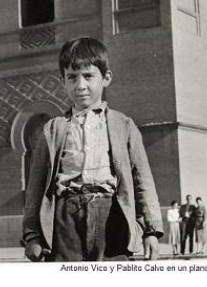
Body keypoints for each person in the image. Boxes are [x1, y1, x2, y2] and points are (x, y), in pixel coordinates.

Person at [22, 37, 164, 262]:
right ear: (63, 81)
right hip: (64, 221)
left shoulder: (123, 125)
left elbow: (143, 181)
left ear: (106, 78)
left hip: (112, 217)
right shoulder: (53, 129)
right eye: (72, 77)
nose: (80, 85)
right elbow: (35, 187)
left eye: (88, 76)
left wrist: (151, 230)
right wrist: (33, 235)